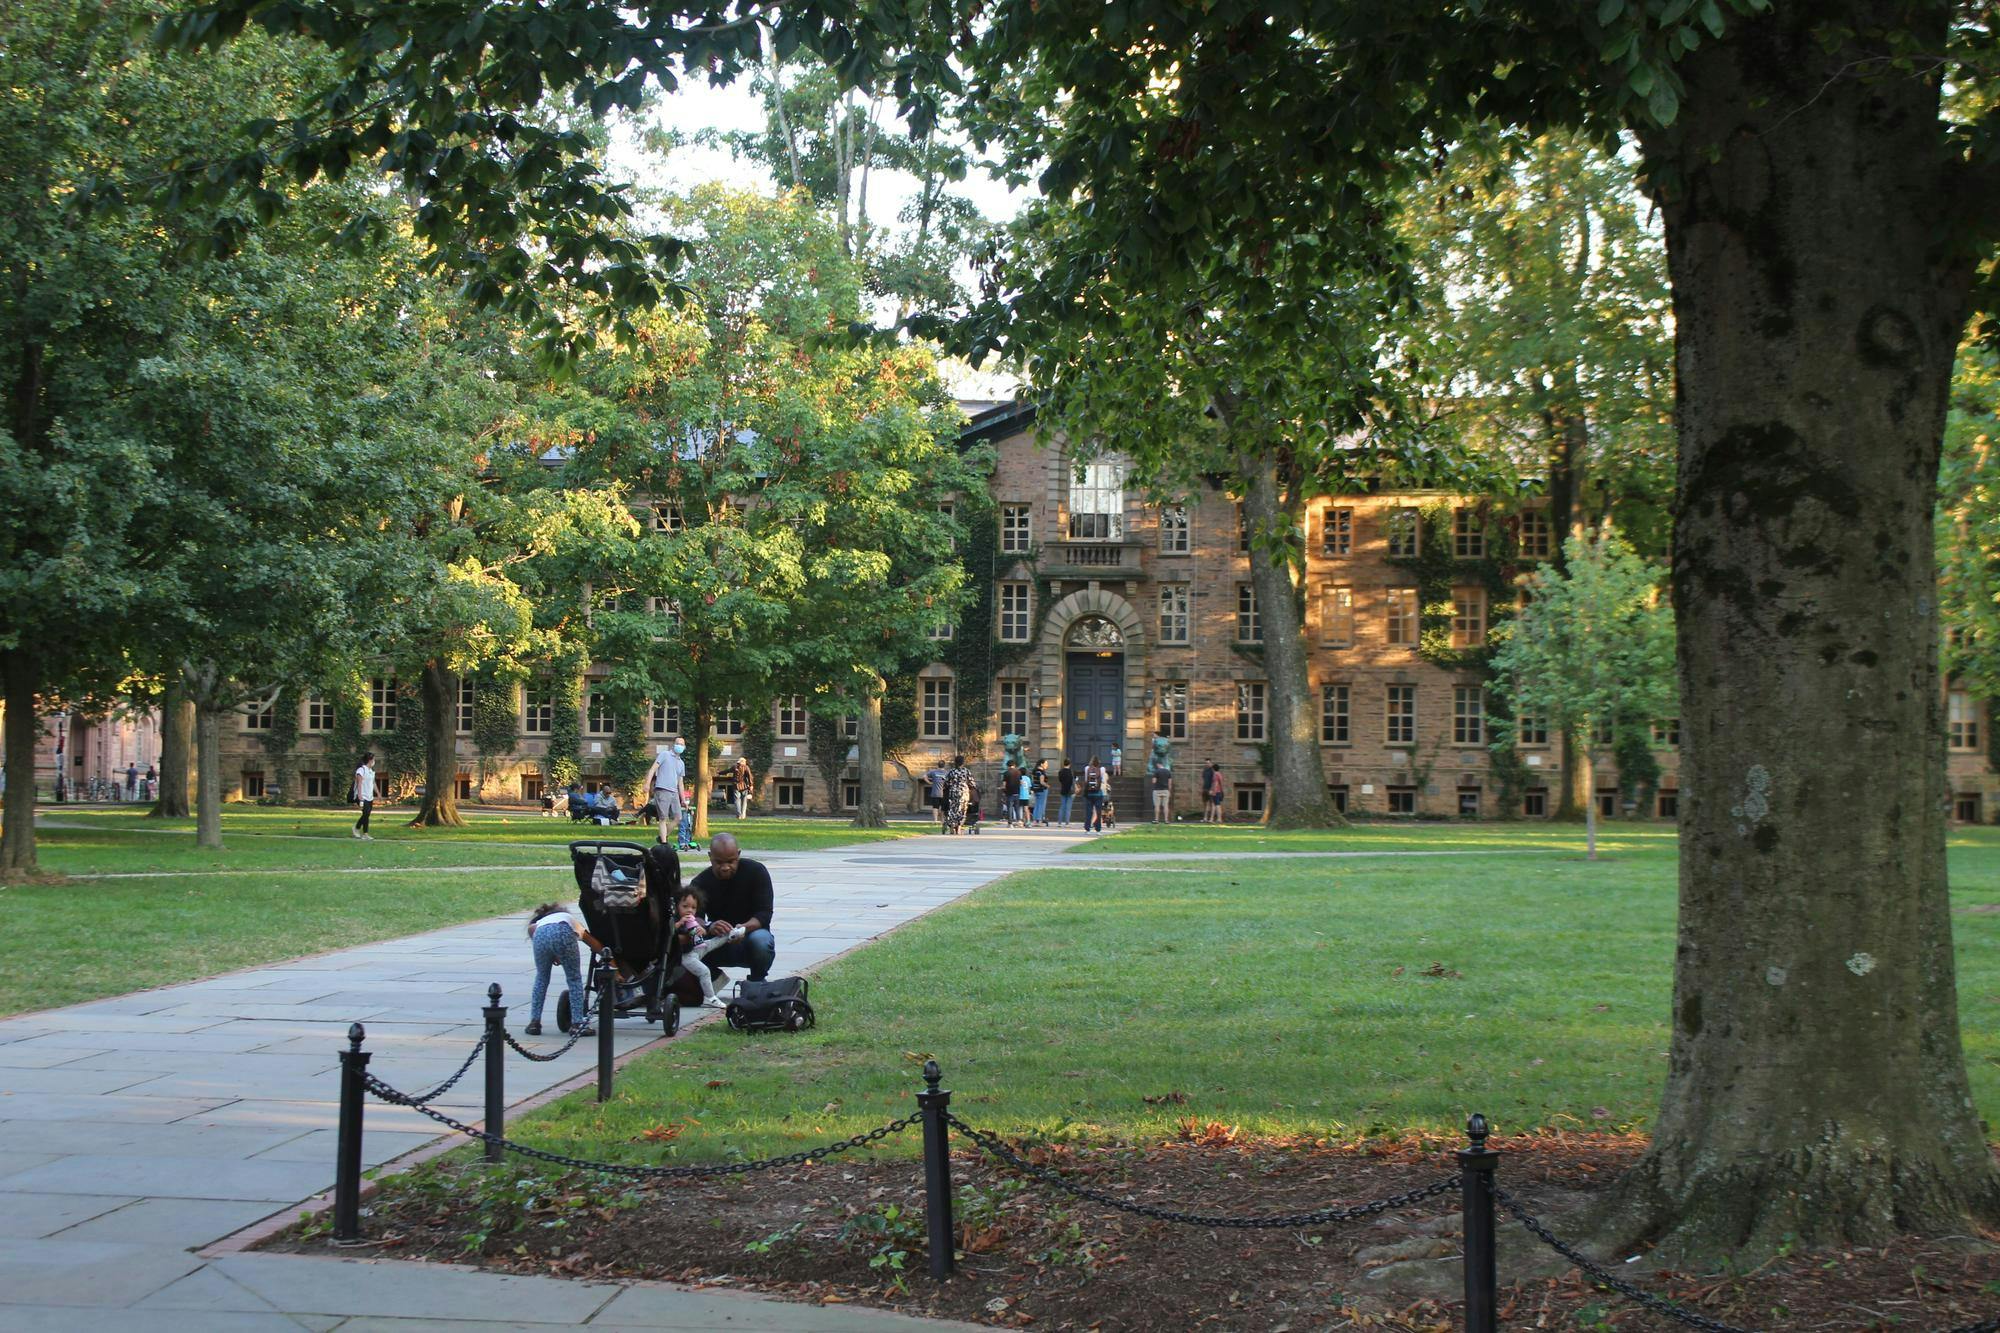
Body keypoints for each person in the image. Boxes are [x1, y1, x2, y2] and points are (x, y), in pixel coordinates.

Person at [688, 832, 776, 986]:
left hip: (750, 935)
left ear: (739, 855)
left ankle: (757, 981)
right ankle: (714, 977)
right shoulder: (700, 882)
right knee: (688, 944)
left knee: (761, 941)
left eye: (731, 861)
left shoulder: (756, 872)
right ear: (710, 857)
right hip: (718, 940)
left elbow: (764, 913)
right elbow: (693, 918)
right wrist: (710, 926)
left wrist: (743, 928)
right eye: (719, 862)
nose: (725, 867)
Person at [522, 902, 602, 1036]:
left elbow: (531, 930)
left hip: (540, 936)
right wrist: (610, 960)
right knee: (574, 979)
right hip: (562, 932)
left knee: (541, 978)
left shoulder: (539, 923)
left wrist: (551, 954)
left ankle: (534, 1023)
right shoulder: (568, 919)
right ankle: (577, 1023)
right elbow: (592, 943)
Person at [672, 888, 739, 1008]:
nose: (689, 910)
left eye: (693, 908)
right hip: (684, 956)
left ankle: (732, 935)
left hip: (696, 949)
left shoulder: (695, 920)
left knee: (713, 942)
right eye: (685, 906)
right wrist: (679, 923)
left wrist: (702, 930)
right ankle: (710, 997)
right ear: (676, 906)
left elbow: (705, 928)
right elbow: (670, 932)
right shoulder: (675, 920)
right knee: (704, 971)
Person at [643, 739, 687, 846]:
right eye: (677, 743)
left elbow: (680, 783)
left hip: (674, 792)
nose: (679, 746)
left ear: (684, 747)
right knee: (663, 817)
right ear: (673, 744)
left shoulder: (681, 763)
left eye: (681, 744)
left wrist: (683, 799)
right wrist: (647, 784)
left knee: (678, 817)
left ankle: (662, 836)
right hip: (662, 790)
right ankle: (664, 843)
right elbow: (653, 769)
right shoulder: (665, 754)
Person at [942, 754, 972, 835]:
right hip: (963, 792)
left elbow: (946, 782)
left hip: (953, 792)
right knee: (962, 809)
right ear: (963, 762)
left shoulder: (952, 771)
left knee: (952, 809)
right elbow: (971, 782)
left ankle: (951, 825)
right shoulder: (966, 771)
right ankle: (959, 827)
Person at [352, 752, 378, 839]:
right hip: (362, 796)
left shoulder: (371, 771)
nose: (374, 761)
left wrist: (378, 793)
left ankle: (365, 834)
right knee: (366, 813)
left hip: (369, 796)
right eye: (374, 759)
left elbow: (373, 783)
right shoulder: (361, 770)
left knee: (367, 814)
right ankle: (356, 828)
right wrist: (359, 795)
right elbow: (359, 783)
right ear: (370, 760)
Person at [1081, 754, 1108, 832]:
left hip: (1089, 793)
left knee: (1088, 812)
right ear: (1098, 762)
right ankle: (1098, 829)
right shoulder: (1102, 769)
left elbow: (1086, 780)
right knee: (1098, 812)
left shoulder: (1087, 768)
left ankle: (1087, 828)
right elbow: (1102, 780)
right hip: (1098, 793)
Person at [1056, 759, 1076, 827]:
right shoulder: (1071, 772)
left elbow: (1060, 780)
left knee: (1062, 807)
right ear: (1069, 764)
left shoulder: (1060, 771)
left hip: (1063, 789)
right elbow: (1073, 781)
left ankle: (1059, 822)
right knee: (1068, 808)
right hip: (1070, 790)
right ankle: (1067, 822)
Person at [1001, 761, 1021, 826]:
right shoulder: (1018, 772)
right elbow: (1020, 782)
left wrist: (1002, 789)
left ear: (1008, 766)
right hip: (1017, 792)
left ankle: (1010, 823)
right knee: (1017, 807)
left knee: (1009, 808)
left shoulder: (1006, 773)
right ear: (1014, 765)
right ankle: (1019, 821)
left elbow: (1004, 784)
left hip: (1009, 793)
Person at [1031, 760, 1050, 826]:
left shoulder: (1034, 771)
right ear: (1041, 764)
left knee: (1037, 805)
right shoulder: (1041, 772)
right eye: (1046, 763)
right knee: (1041, 805)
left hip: (1036, 789)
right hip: (1042, 789)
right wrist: (1047, 785)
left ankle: (1034, 820)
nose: (1047, 765)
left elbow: (1033, 781)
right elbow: (1042, 782)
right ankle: (1038, 820)